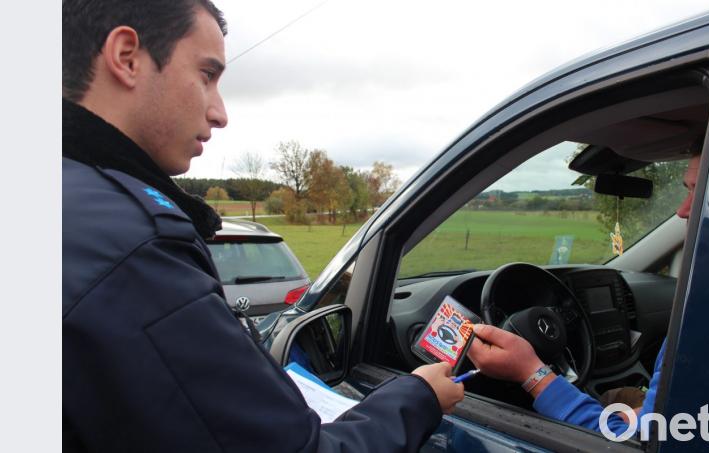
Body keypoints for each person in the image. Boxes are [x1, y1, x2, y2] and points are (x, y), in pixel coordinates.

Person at [62, 1, 463, 452]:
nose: (219, 112)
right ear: (127, 57)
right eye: (207, 76)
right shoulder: (136, 253)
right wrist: (421, 396)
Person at [467, 154, 702, 437]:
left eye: (700, 192)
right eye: (687, 190)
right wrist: (648, 413)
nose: (681, 210)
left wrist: (531, 372)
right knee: (620, 399)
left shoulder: (703, 326)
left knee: (614, 400)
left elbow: (635, 443)